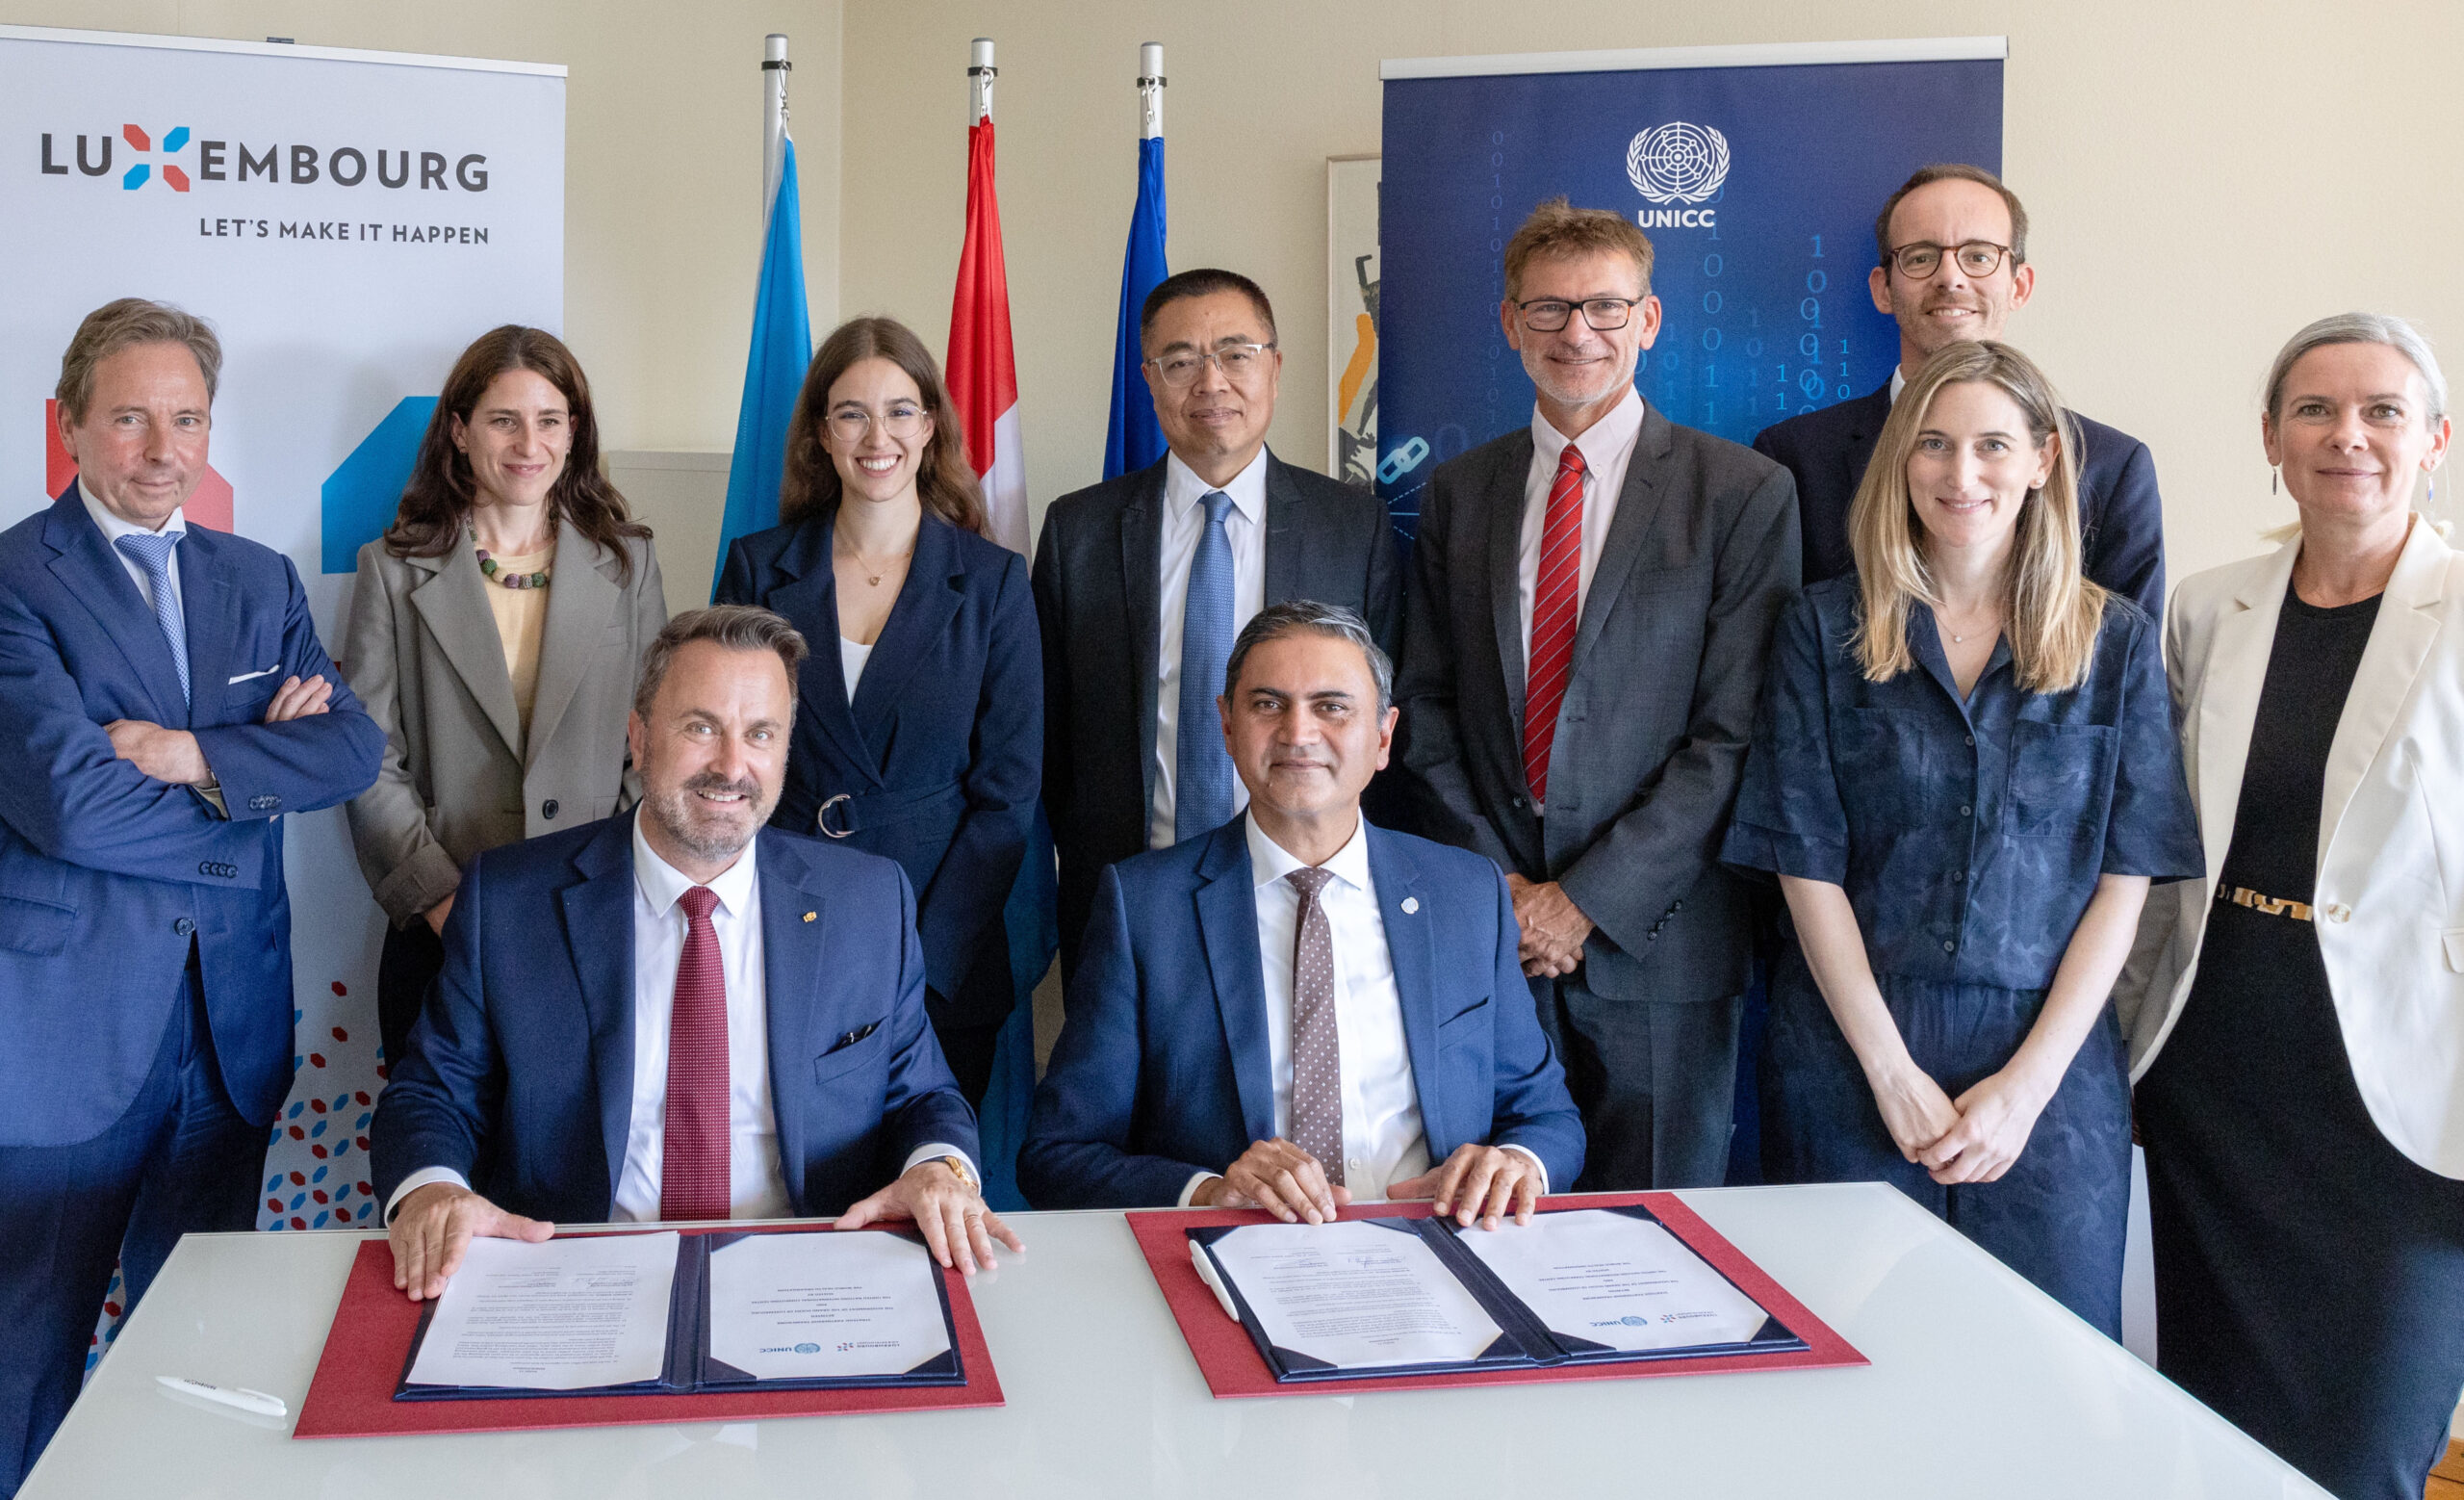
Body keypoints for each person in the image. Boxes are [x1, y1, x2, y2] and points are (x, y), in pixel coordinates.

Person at [1722, 340, 2198, 1335]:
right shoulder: (1822, 629)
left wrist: (2024, 1093)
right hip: (1850, 1050)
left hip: (2047, 1065)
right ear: (1899, 461)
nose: (1960, 472)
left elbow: (2126, 878)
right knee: (1845, 1373)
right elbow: (1803, 861)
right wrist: (1890, 1074)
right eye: (1932, 444)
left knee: (2045, 1373)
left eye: (1991, 445)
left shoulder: (2113, 643)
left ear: (2042, 461)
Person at [0, 298, 383, 1494]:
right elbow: (68, 807)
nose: (162, 448)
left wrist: (184, 752)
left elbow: (352, 753)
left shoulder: (256, 579)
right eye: (129, 418)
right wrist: (247, 783)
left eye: (186, 418)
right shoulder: (15, 579)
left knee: (203, 1344)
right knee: (27, 1354)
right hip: (69, 1041)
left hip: (228, 1035)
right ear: (68, 425)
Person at [371, 607, 1017, 1301]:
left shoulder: (868, 903)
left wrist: (935, 1166)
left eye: (760, 734)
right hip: (576, 1280)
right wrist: (434, 1190)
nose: (731, 766)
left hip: (805, 1278)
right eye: (701, 727)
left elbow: (922, 1094)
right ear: (640, 737)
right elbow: (432, 1095)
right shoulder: (510, 902)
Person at [2123, 314, 2464, 1500]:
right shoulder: (2209, 609)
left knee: (2365, 1446)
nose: (2346, 436)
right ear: (2270, 437)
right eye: (2313, 410)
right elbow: (2161, 852)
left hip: (2403, 1103)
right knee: (2213, 1437)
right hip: (2216, 1079)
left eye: (2381, 411)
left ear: (2434, 440)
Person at [1393, 197, 1799, 1191]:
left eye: (1605, 308)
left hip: (1660, 945)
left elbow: (1732, 734)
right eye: (1548, 309)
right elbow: (1425, 707)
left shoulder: (1741, 491)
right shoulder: (1458, 492)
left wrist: (1583, 903)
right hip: (1488, 942)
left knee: (1655, 1252)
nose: (1577, 332)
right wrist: (1507, 896)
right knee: (1483, 1226)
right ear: (1509, 323)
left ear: (1649, 320)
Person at [1021, 602, 1582, 1218]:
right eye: (1267, 704)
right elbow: (1058, 1154)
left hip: (1441, 1244)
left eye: (1332, 707)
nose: (1298, 733)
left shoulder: (1466, 894)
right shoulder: (1144, 907)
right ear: (1228, 728)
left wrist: (1518, 1163)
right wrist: (1208, 1192)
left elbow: (1547, 1117)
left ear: (1384, 737)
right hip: (1236, 1259)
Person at [1035, 268, 1401, 974]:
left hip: (1309, 895)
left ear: (1274, 367)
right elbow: (1048, 732)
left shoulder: (1351, 526)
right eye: (1180, 361)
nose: (1211, 382)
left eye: (1236, 354)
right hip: (1128, 899)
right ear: (1148, 378)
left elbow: (1383, 718)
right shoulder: (1078, 531)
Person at [715, 317, 1038, 1107]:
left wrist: (924, 961)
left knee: (925, 1190)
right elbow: (726, 755)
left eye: (899, 410)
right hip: (785, 920)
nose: (876, 435)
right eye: (852, 412)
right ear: (821, 434)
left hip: (941, 950)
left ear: (930, 426)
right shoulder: (761, 566)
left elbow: (1009, 794)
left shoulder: (991, 582)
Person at [343, 325, 667, 1070]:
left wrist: (610, 878)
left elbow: (655, 739)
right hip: (442, 929)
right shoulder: (392, 570)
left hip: (595, 920)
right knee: (441, 1170)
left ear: (574, 432)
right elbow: (367, 756)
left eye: (550, 420)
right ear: (459, 431)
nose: (530, 443)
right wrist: (440, 902)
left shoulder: (630, 563)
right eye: (503, 420)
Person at [1752, 164, 2165, 618]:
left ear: (2019, 285)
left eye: (1979, 255)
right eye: (1921, 257)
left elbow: (2127, 671)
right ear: (1883, 289)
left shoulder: (2112, 467)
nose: (1950, 278)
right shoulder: (1792, 457)